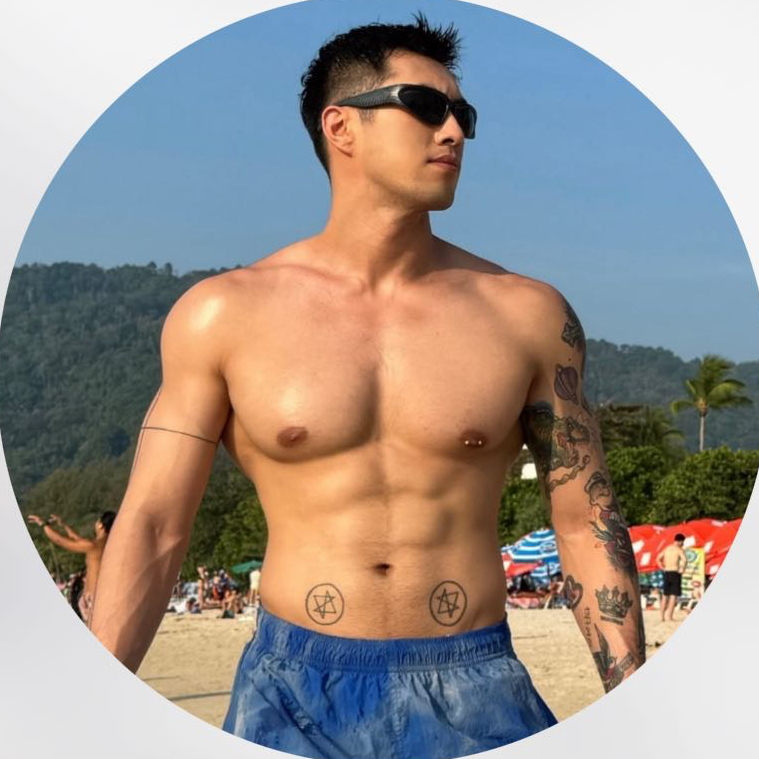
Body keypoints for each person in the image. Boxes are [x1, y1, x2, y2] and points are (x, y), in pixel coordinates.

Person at [89, 15, 643, 758]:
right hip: (291, 693)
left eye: (463, 114)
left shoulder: (528, 316)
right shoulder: (224, 314)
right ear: (340, 126)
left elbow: (583, 522)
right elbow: (155, 523)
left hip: (475, 687)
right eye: (425, 105)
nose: (454, 130)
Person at [28, 511, 116, 624]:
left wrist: (43, 524)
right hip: (99, 594)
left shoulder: (92, 546)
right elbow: (77, 539)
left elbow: (59, 540)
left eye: (97, 521)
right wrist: (63, 525)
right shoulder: (107, 543)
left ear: (100, 525)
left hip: (93, 599)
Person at [656, 533, 688, 621]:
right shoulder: (679, 550)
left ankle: (662, 617)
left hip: (667, 572)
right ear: (680, 541)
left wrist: (662, 567)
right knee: (673, 595)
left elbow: (658, 559)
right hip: (675, 572)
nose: (683, 544)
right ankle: (669, 616)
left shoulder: (667, 548)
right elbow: (685, 560)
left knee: (665, 595)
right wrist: (682, 569)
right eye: (682, 542)